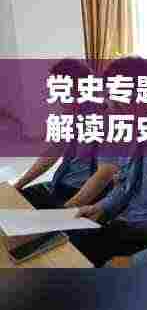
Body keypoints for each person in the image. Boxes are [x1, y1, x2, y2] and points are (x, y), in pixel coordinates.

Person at [14, 59, 101, 209]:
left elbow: (105, 175)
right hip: (61, 184)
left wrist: (66, 212)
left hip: (84, 193)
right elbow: (52, 153)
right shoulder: (70, 114)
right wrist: (18, 185)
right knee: (14, 201)